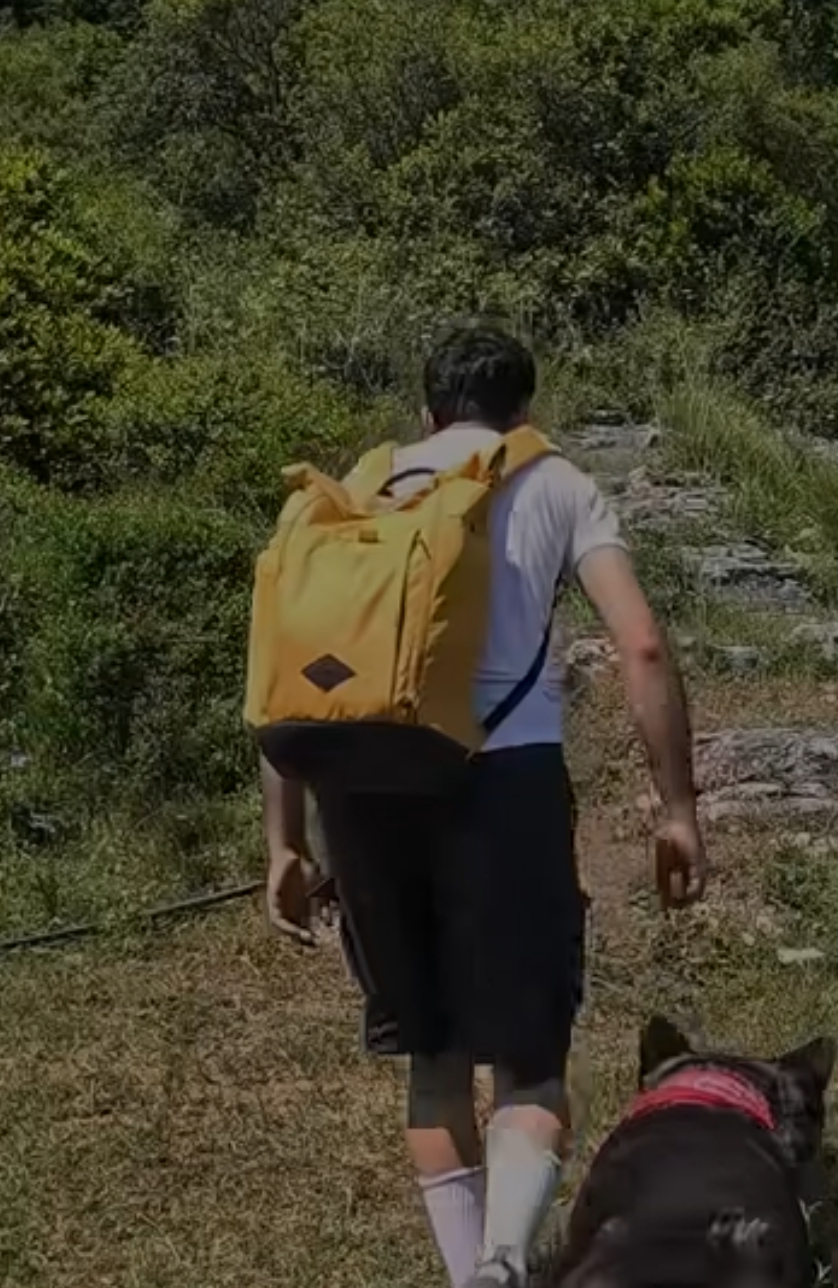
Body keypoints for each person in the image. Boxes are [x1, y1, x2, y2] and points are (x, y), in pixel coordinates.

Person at [260, 322, 709, 1288]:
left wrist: (285, 842)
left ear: (427, 415)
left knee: (432, 1059)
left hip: (361, 788)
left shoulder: (362, 488)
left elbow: (296, 683)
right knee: (529, 1064)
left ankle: (472, 1278)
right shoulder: (556, 483)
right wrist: (677, 805)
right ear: (524, 409)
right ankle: (507, 1256)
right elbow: (639, 645)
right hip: (506, 784)